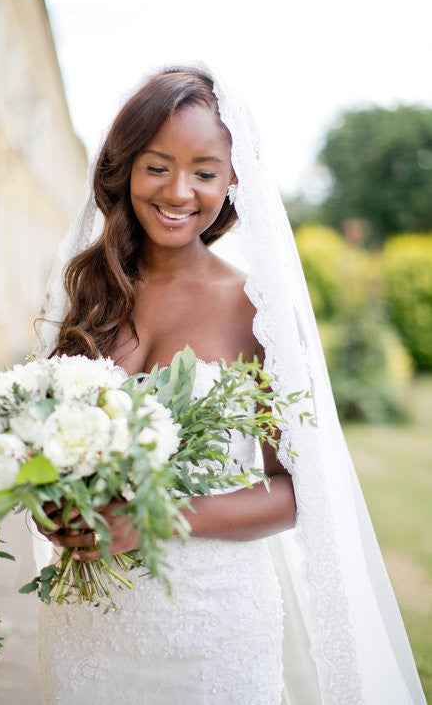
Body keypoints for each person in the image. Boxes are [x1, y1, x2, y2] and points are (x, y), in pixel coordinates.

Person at [34, 63, 425, 704]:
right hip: (87, 629)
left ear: (234, 179)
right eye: (156, 165)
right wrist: (50, 507)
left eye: (204, 171)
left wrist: (155, 520)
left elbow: (298, 491)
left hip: (210, 629)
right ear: (125, 168)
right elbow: (41, 445)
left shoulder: (256, 308)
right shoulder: (86, 292)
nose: (179, 190)